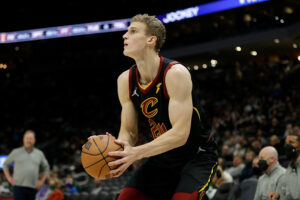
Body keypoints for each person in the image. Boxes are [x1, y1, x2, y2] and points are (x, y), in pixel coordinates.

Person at [88, 14, 218, 200]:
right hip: (163, 155)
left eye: (133, 31)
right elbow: (129, 132)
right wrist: (118, 152)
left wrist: (136, 153)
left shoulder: (175, 73)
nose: (125, 36)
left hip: (196, 155)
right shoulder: (125, 80)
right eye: (126, 31)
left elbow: (180, 135)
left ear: (151, 39)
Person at [3, 130, 50, 200]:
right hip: (18, 186)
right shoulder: (16, 152)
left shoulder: (39, 154)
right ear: (23, 140)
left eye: (31, 139)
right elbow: (5, 165)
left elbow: (46, 168)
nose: (29, 140)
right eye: (27, 138)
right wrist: (9, 178)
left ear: (34, 140)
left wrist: (41, 181)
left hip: (33, 187)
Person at [268, 133, 300, 200]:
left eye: (291, 142)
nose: (287, 146)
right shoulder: (289, 168)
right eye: (286, 143)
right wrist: (277, 195)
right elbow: (286, 192)